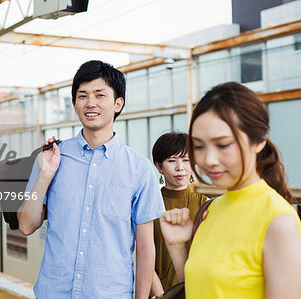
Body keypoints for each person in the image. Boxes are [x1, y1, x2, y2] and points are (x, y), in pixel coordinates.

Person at [17, 60, 165, 299]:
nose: (91, 103)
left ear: (118, 104)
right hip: (53, 293)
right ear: (75, 105)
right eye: (82, 96)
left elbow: (146, 248)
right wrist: (44, 176)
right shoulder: (51, 158)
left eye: (100, 95)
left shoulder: (139, 169)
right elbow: (26, 225)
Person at [160, 82, 301, 298]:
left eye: (223, 145)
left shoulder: (279, 222)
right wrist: (177, 246)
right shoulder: (210, 209)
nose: (208, 160)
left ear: (259, 141)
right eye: (198, 146)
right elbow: (201, 288)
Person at [150, 132, 207, 296]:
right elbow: (142, 254)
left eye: (186, 160)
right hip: (157, 293)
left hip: (195, 291)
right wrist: (162, 296)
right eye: (172, 160)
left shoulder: (206, 204)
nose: (180, 167)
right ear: (159, 166)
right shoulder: (148, 204)